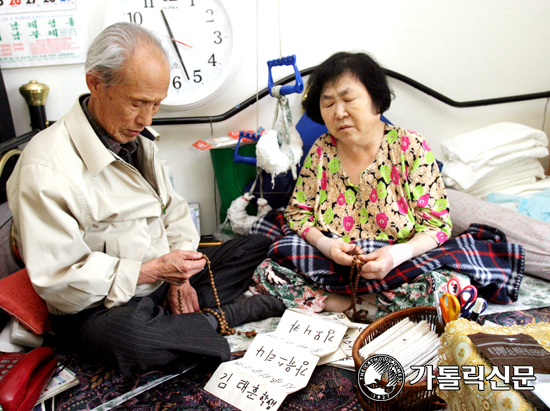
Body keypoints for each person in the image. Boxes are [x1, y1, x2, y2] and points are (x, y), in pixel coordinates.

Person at [7, 22, 284, 376]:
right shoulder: (45, 167)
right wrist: (149, 272)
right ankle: (224, 317)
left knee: (256, 245)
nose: (147, 118)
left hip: (161, 279)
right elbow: (62, 282)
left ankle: (181, 322)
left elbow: (174, 211)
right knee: (134, 341)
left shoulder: (139, 140)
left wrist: (179, 278)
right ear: (96, 83)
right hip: (103, 305)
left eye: (156, 104)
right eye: (137, 103)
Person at [251, 51, 452, 315]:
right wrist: (329, 247)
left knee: (445, 286)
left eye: (348, 99)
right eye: (329, 103)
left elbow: (437, 225)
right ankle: (361, 308)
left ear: (375, 101)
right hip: (332, 264)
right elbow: (298, 215)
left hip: (397, 263)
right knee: (267, 271)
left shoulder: (410, 146)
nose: (339, 112)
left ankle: (347, 304)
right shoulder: (322, 151)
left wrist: (395, 256)